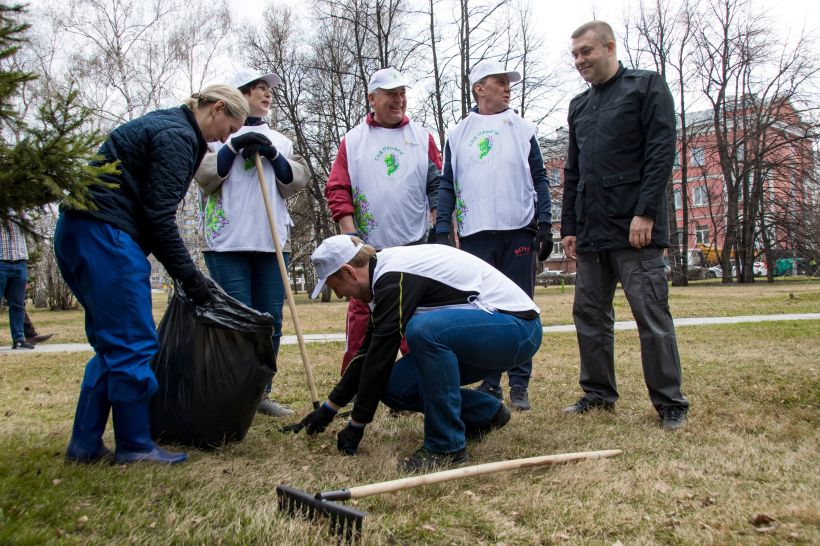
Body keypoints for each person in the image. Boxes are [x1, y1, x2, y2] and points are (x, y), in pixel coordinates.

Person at [55, 84, 249, 464]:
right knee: (134, 343)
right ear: (217, 109)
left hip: (79, 230)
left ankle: (85, 445)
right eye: (230, 127)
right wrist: (192, 278)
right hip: (106, 235)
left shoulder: (167, 125)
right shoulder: (178, 135)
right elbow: (159, 218)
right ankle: (135, 444)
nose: (227, 138)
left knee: (113, 345)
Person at [285, 235, 542, 472]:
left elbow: (381, 356)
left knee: (424, 331)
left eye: (335, 285)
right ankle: (487, 413)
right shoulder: (383, 278)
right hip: (489, 337)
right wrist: (328, 409)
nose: (340, 295)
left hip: (518, 329)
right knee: (395, 386)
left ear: (349, 271)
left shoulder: (395, 275)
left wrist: (356, 425)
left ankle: (446, 446)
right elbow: (368, 353)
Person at [560, 21, 689, 430]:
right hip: (593, 231)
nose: (579, 61)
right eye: (575, 54)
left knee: (650, 313)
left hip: (636, 228)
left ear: (609, 47)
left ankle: (670, 402)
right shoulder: (579, 106)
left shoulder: (646, 86)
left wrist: (646, 211)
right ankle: (598, 393)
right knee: (589, 314)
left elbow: (660, 151)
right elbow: (573, 170)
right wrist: (569, 226)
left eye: (586, 52)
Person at [434, 59, 552, 411]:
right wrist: (443, 228)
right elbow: (446, 183)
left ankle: (519, 384)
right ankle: (490, 382)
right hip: (475, 233)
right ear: (479, 88)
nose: (507, 87)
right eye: (500, 82)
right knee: (482, 311)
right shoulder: (458, 133)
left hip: (518, 230)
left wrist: (544, 224)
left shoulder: (522, 128)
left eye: (508, 82)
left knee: (519, 307)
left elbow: (540, 178)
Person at [195, 69, 310, 418]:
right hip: (228, 242)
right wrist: (233, 145)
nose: (267, 94)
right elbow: (206, 177)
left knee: (269, 320)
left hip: (271, 241)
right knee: (237, 321)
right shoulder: (216, 136)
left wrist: (274, 155)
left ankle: (260, 392)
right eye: (260, 89)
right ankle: (232, 391)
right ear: (240, 94)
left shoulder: (282, 140)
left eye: (269, 90)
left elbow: (294, 182)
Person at [325, 67, 442, 374]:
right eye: (391, 94)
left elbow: (437, 185)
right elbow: (338, 188)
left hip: (414, 246)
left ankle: (412, 385)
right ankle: (354, 384)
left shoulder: (421, 136)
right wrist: (352, 239)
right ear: (372, 99)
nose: (399, 99)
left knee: (414, 320)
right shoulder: (353, 141)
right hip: (369, 249)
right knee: (363, 318)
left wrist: (437, 222)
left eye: (402, 93)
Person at [1, 214, 33, 350]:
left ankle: (19, 339)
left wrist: (21, 213)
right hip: (1, 262)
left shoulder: (20, 211)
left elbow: (31, 228)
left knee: (18, 305)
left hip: (20, 262)